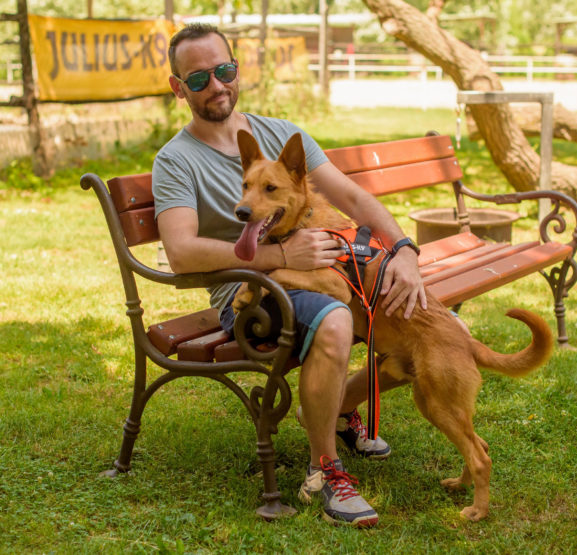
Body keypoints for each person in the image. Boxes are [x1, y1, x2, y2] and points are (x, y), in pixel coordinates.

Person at [152, 23, 427, 528]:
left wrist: (404, 251)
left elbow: (352, 197)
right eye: (199, 79)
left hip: (318, 267)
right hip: (248, 295)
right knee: (337, 319)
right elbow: (181, 252)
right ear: (178, 87)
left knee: (412, 312)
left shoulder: (280, 134)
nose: (217, 85)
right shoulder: (175, 161)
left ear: (237, 68)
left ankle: (338, 406)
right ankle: (327, 470)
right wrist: (281, 257)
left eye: (224, 70)